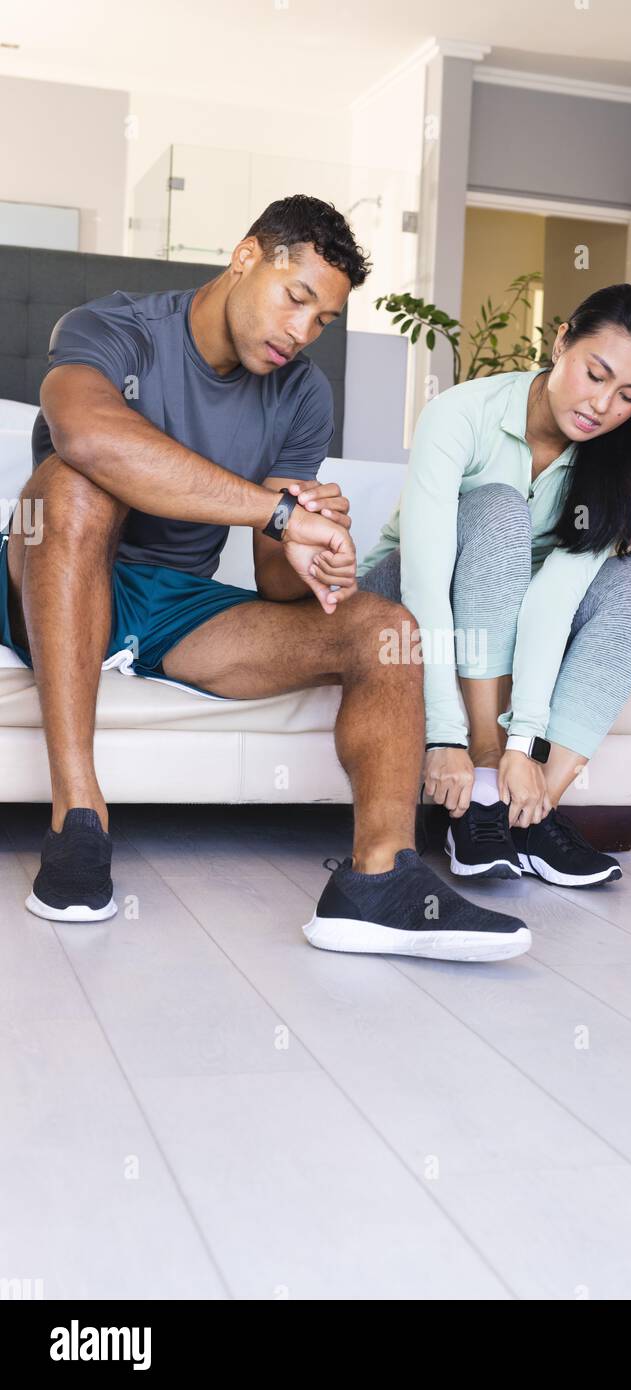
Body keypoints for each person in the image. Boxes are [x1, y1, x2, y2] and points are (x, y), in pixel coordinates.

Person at [0, 195, 530, 962]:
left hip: (176, 607)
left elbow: (275, 583)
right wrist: (275, 512)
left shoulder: (301, 392)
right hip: (50, 575)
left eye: (323, 320)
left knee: (386, 629)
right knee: (74, 481)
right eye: (296, 299)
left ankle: (380, 879)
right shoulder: (112, 326)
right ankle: (77, 820)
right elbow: (85, 432)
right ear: (247, 257)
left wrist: (318, 547)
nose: (302, 332)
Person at [353, 283, 631, 888]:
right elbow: (427, 582)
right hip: (397, 602)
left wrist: (528, 744)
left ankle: (532, 814)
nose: (602, 406)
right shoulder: (461, 412)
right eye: (595, 374)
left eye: (629, 397)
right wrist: (444, 736)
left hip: (508, 605)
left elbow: (553, 599)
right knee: (501, 508)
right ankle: (483, 789)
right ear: (562, 339)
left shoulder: (618, 459)